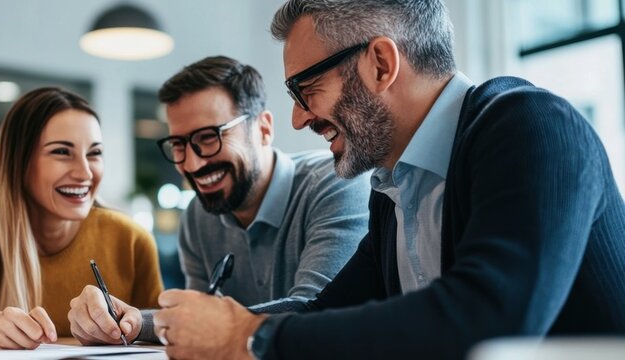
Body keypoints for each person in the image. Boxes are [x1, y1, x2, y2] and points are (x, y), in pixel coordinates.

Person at [152, 0, 625, 359]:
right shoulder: (394, 186)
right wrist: (206, 323)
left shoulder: (533, 126)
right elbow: (325, 312)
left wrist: (247, 337)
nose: (297, 119)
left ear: (380, 63)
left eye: (305, 89)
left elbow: (491, 320)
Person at [67, 56, 370, 345]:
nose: (193, 164)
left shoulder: (336, 185)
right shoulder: (198, 216)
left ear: (263, 129)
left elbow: (313, 311)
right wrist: (131, 321)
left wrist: (162, 322)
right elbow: (200, 323)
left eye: (209, 137)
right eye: (178, 144)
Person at [0, 87, 163, 349]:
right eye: (61, 152)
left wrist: (136, 324)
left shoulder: (131, 238)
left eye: (94, 153)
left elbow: (168, 324)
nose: (84, 173)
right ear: (20, 164)